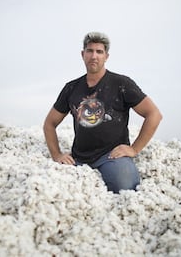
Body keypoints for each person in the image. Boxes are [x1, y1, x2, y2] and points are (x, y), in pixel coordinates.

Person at [43, 32, 162, 193]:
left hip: (112, 156)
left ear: (106, 56)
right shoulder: (71, 88)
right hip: (78, 159)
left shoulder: (121, 83)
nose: (94, 56)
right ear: (82, 54)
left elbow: (154, 114)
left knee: (125, 188)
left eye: (99, 52)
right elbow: (50, 124)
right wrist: (57, 155)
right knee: (54, 189)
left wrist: (134, 149)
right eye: (90, 51)